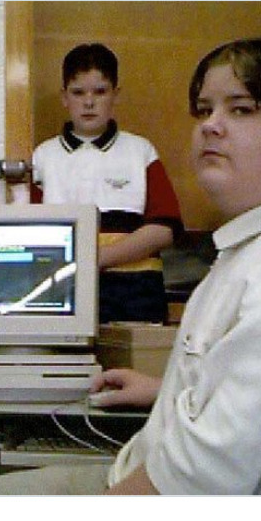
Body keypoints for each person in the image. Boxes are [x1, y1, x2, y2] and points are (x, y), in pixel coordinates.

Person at [0, 35, 261, 495]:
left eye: (241, 108)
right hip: (141, 462)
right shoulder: (260, 239)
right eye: (204, 109)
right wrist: (166, 389)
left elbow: (214, 478)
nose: (210, 126)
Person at [30, 43, 183, 323]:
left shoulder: (141, 151)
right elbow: (33, 232)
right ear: (64, 97)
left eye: (100, 92)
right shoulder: (43, 157)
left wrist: (97, 258)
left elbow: (165, 229)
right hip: (64, 289)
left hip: (136, 292)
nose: (89, 102)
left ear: (115, 95)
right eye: (78, 93)